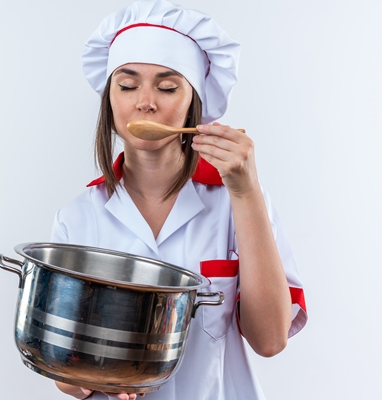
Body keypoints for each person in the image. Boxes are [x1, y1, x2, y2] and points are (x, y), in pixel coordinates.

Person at [50, 1, 307, 399]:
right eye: (127, 84)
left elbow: (270, 340)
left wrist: (246, 190)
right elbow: (66, 374)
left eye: (168, 87)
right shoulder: (78, 217)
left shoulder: (237, 201)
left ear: (194, 101)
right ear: (110, 99)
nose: (145, 102)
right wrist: (89, 376)